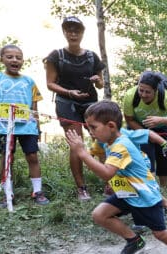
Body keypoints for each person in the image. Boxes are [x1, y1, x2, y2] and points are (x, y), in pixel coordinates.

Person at [65, 100, 167, 254]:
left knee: (160, 233)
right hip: (127, 192)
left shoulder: (121, 145)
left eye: (93, 127)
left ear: (110, 126)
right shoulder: (110, 143)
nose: (90, 132)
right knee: (100, 215)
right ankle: (134, 240)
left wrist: (82, 153)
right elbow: (114, 172)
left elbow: (107, 173)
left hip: (144, 196)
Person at [45, 16, 105, 201]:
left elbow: (102, 84)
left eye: (76, 30)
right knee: (76, 143)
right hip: (66, 102)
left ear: (82, 33)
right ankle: (82, 188)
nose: (73, 33)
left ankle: (110, 182)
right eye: (69, 30)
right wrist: (70, 93)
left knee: (103, 140)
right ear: (64, 32)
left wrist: (97, 80)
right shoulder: (56, 56)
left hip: (90, 102)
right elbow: (50, 84)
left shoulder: (92, 56)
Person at [0, 44, 49, 206]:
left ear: (22, 61)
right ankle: (8, 193)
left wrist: (37, 127)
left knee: (32, 156)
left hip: (27, 127)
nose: (15, 60)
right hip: (3, 127)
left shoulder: (29, 81)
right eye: (10, 57)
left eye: (18, 58)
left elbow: (35, 106)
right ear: (2, 59)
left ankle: (37, 191)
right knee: (7, 159)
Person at [123, 71, 167, 187]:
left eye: (148, 92)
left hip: (161, 125)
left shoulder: (164, 96)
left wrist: (161, 120)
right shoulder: (130, 95)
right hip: (138, 126)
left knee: (162, 156)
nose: (143, 94)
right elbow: (129, 120)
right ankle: (150, 188)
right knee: (146, 155)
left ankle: (164, 188)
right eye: (141, 90)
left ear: (155, 91)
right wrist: (147, 133)